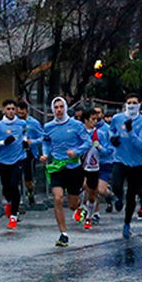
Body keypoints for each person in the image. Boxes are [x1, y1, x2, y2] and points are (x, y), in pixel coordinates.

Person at [41, 97, 87, 247]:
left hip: (73, 168)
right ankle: (63, 234)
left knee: (72, 204)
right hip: (57, 167)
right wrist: (45, 154)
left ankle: (80, 207)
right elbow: (46, 142)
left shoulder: (76, 125)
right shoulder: (48, 126)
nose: (59, 110)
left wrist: (76, 151)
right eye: (56, 107)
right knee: (58, 198)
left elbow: (87, 142)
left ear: (66, 108)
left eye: (61, 107)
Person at [110, 94, 142, 238]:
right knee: (116, 184)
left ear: (139, 105)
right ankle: (118, 197)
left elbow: (141, 146)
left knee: (132, 195)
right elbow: (112, 130)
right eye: (129, 103)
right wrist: (113, 138)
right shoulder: (117, 118)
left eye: (134, 103)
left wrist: (131, 131)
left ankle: (127, 223)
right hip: (120, 159)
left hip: (137, 163)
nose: (132, 105)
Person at [0, 98, 28, 229]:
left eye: (13, 109)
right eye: (8, 109)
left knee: (14, 184)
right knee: (6, 187)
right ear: (3, 111)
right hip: (3, 160)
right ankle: (10, 203)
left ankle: (14, 216)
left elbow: (24, 133)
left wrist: (24, 141)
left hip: (18, 159)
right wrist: (3, 143)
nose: (11, 111)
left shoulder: (21, 123)